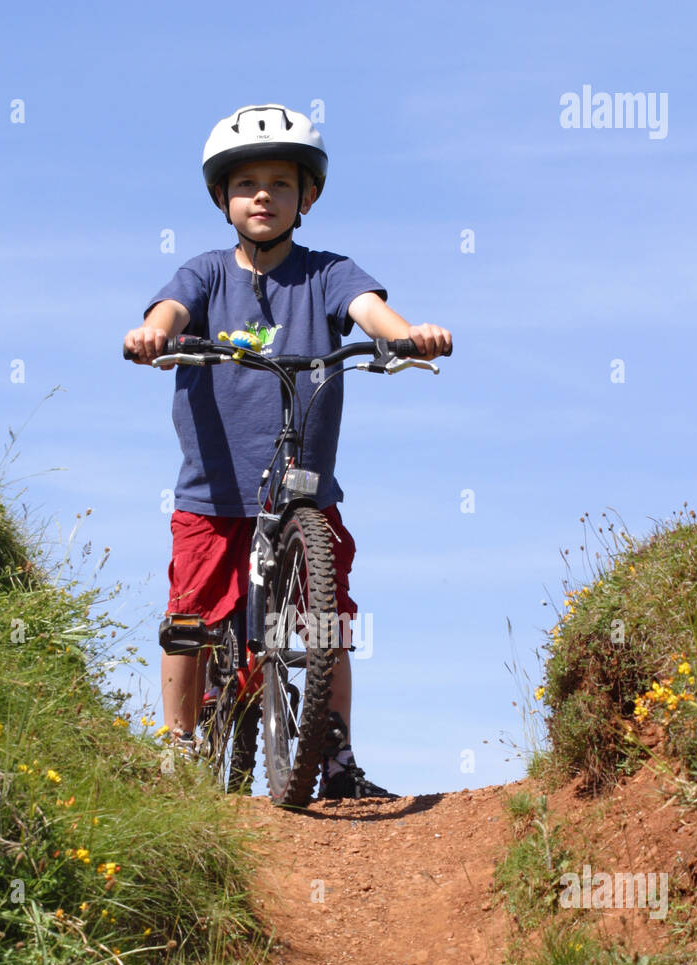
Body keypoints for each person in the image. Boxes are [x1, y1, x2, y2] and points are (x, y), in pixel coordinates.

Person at [123, 103, 451, 799]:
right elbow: (170, 314)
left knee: (328, 617)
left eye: (280, 182)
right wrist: (152, 333)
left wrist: (406, 334)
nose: (263, 195)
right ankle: (180, 750)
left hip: (304, 490)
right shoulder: (206, 274)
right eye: (246, 185)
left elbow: (368, 310)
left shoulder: (326, 273)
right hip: (214, 493)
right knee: (192, 614)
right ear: (223, 199)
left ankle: (333, 757)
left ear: (308, 196)